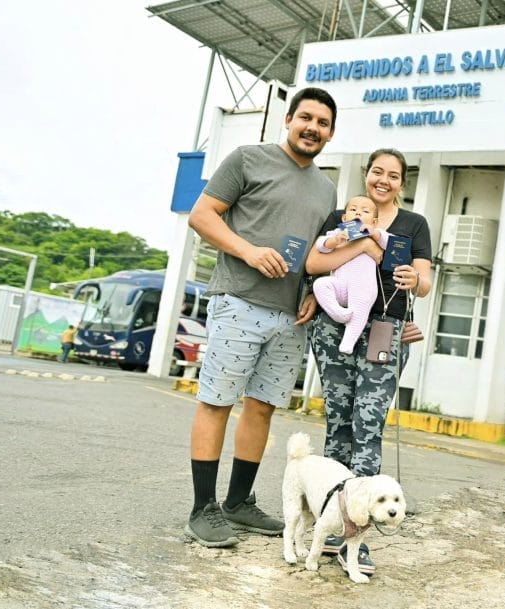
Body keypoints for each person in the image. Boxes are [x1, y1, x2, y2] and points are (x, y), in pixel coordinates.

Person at [183, 87, 338, 548]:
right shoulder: (247, 159)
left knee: (262, 407)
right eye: (305, 118)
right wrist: (248, 251)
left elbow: (317, 254)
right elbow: (202, 215)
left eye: (323, 123)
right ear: (288, 120)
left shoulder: (326, 189)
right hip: (239, 300)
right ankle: (203, 508)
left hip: (290, 316)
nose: (312, 128)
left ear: (331, 134)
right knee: (217, 402)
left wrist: (312, 292)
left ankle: (238, 502)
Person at [306, 148, 432, 575]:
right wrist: (363, 244)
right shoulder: (342, 215)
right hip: (335, 326)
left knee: (368, 425)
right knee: (338, 423)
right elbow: (315, 262)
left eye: (393, 175)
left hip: (385, 329)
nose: (383, 180)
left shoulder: (414, 224)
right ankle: (330, 523)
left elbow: (425, 281)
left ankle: (355, 539)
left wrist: (415, 278)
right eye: (377, 171)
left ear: (402, 183)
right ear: (366, 175)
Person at [312, 195, 391, 355]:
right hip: (339, 284)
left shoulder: (377, 234)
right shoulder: (337, 233)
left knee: (359, 309)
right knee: (319, 285)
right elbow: (320, 245)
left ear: (374, 221)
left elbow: (391, 244)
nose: (358, 213)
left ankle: (348, 342)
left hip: (362, 287)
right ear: (344, 218)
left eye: (365, 211)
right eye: (353, 209)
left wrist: (375, 234)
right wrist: (334, 241)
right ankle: (338, 313)